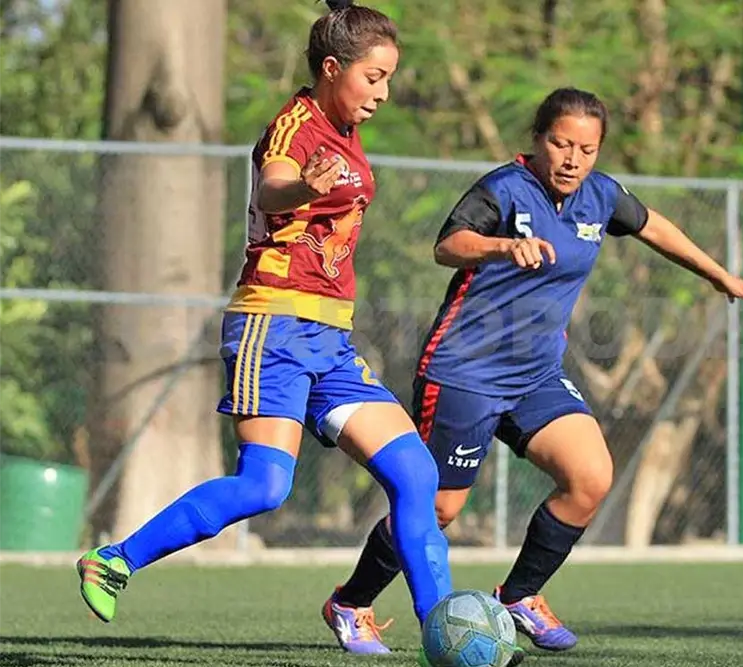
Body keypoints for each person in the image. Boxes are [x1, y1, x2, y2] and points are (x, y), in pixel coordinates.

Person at [76, 4, 483, 664]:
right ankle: (113, 560)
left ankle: (443, 632)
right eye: (373, 77)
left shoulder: (346, 129)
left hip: (330, 338)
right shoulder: (298, 124)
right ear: (331, 69)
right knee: (265, 487)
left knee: (415, 473)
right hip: (274, 327)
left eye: (388, 78)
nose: (383, 92)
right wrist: (300, 187)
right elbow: (271, 188)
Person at [321, 87, 743, 654]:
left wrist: (719, 276)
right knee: (439, 507)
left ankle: (520, 594)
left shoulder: (601, 196)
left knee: (590, 478)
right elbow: (448, 244)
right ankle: (351, 602)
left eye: (586, 149)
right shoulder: (504, 189)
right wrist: (500, 247)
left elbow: (654, 225)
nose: (572, 159)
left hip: (536, 374)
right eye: (561, 143)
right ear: (538, 140)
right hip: (464, 371)